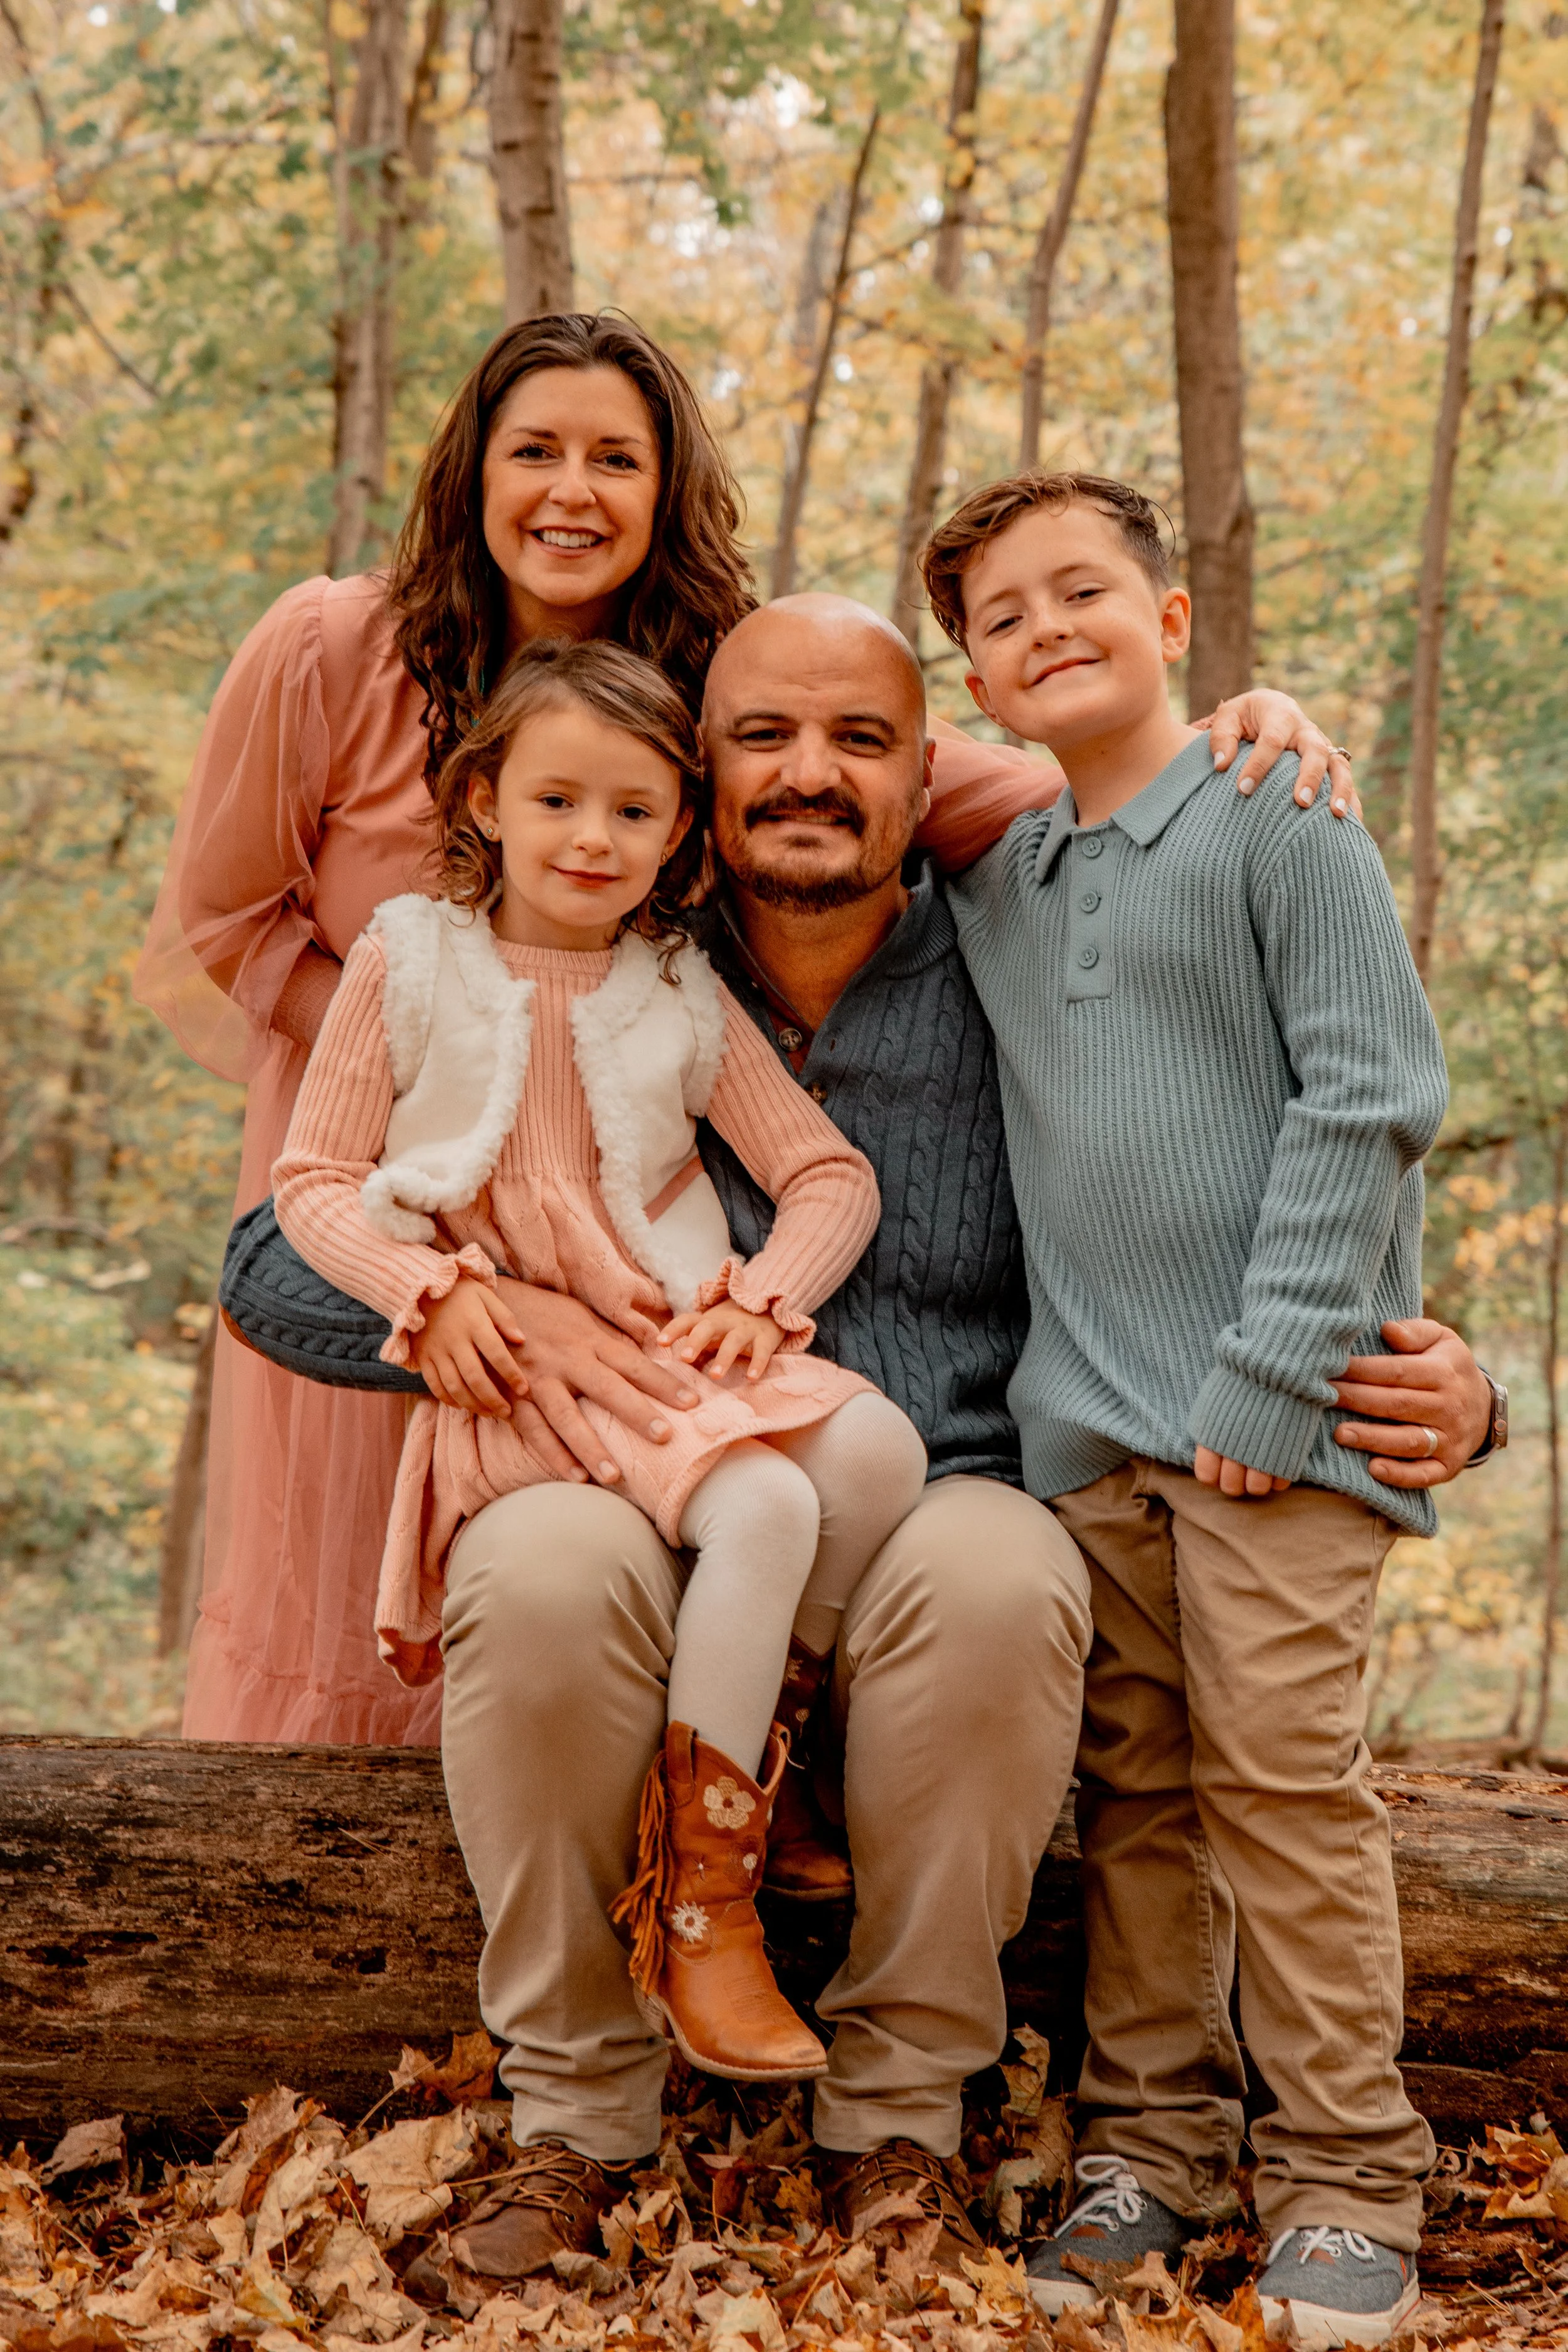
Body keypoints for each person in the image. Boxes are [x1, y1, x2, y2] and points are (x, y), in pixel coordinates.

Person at [245, 595, 1493, 2285]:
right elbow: (275, 1262)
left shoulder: (1026, 946)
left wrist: (1476, 1396)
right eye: (759, 737)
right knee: (536, 1572)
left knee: (998, 1578)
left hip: (940, 1472)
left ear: (931, 771)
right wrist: (493, 1317)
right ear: (700, 778)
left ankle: (895, 2120)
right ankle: (577, 2113)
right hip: (620, 1467)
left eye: (859, 739)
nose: (808, 774)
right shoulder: (606, 961)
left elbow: (1258, 1137)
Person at [136, 305, 1342, 1745]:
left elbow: (975, 787)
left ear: (664, 494)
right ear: (472, 472)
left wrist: (1208, 753)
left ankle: (690, 1822)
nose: (570, 492)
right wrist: (448, 1048)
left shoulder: (713, 685)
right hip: (387, 1186)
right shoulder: (336, 650)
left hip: (621, 1211)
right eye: (534, 451)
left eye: (613, 459)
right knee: (348, 1583)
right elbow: (223, 924)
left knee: (603, 1571)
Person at [919, 471, 1454, 2346]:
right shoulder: (1001, 882)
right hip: (1089, 1438)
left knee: (1284, 1787)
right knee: (1134, 1796)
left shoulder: (1278, 814)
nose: (1045, 625)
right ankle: (1153, 2148)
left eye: (1084, 589)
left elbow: (1369, 1092)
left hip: (1275, 1428)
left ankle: (1344, 2177)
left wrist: (1277, 1361)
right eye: (1000, 612)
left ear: (1169, 617)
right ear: (973, 674)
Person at [272, 635, 928, 2082]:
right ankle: (704, 1903)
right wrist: (425, 1292)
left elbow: (828, 1176)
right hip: (520, 1356)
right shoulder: (409, 955)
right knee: (762, 1506)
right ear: (485, 798)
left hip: (668, 1331)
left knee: (877, 1454)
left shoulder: (677, 987)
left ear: (680, 831)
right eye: (558, 800)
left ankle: (759, 1741)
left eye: (634, 811)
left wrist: (764, 1298)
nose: (593, 838)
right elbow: (314, 1179)